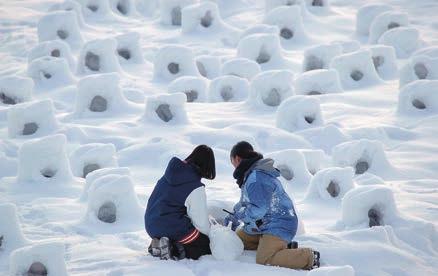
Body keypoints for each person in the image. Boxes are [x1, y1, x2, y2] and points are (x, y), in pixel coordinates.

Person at [224, 141, 320, 270]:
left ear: (236, 158)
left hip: (278, 224)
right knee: (236, 241)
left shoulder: (257, 178)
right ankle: (281, 248)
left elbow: (258, 210)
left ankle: (308, 257)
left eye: (232, 162)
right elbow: (246, 202)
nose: (233, 167)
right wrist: (234, 215)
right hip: (262, 224)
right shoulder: (251, 175)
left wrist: (241, 215)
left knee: (265, 259)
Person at [144, 145, 215, 260]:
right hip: (170, 226)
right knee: (204, 246)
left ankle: (161, 243)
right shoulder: (195, 187)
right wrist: (211, 235)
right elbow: (201, 223)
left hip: (150, 224)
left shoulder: (169, 174)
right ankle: (173, 248)